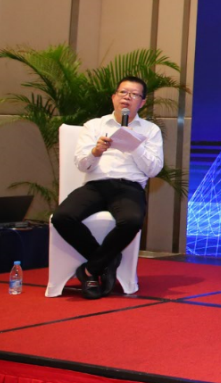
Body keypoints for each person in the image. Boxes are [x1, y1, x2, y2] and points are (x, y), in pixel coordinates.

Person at [53, 77, 165, 299]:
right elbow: (81, 164)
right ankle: (107, 261)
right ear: (114, 97)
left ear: (142, 102)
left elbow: (154, 169)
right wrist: (95, 152)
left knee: (132, 221)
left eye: (134, 94)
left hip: (129, 187)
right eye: (123, 92)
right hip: (96, 184)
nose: (127, 98)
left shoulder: (150, 130)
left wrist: (135, 146)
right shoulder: (94, 125)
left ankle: (90, 271)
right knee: (62, 217)